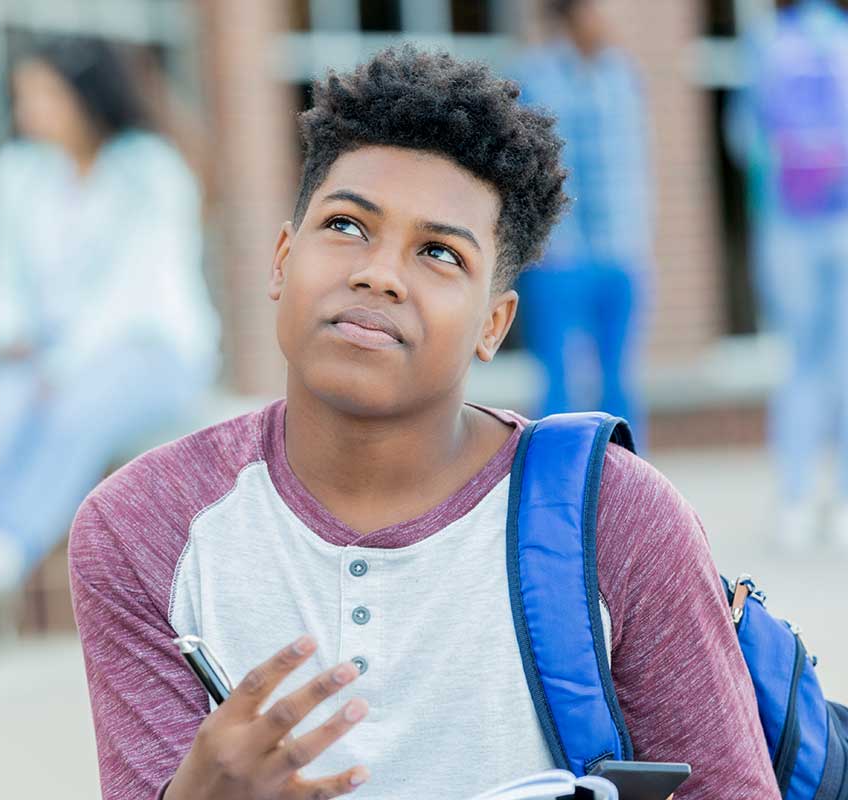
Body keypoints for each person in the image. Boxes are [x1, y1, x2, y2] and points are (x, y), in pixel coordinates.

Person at [68, 46, 777, 799]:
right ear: (281, 259)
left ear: (494, 325)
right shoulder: (142, 528)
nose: (379, 273)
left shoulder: (618, 520)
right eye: (346, 226)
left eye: (438, 252)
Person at [0, 36, 220, 630]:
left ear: (85, 96)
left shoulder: (150, 169)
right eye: (23, 96)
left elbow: (132, 292)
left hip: (149, 347)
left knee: (74, 411)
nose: (27, 110)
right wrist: (10, 336)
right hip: (42, 349)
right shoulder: (17, 172)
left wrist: (63, 364)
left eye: (42, 94)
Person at [728, 0, 848, 553]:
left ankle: (796, 501)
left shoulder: (767, 43)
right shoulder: (841, 37)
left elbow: (742, 137)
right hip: (841, 220)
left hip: (787, 226)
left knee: (798, 363)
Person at [513, 0, 652, 433]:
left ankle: (629, 485)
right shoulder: (532, 78)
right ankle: (561, 487)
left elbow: (638, 163)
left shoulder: (623, 76)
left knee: (621, 382)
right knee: (560, 384)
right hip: (560, 259)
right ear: (572, 14)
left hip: (622, 251)